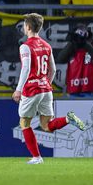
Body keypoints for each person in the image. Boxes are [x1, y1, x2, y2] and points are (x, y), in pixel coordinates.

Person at [12, 13, 85, 165]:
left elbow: (25, 68)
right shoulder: (46, 45)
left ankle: (37, 157)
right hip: (46, 89)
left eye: (25, 24)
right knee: (47, 126)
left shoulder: (25, 46)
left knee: (24, 123)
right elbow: (52, 68)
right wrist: (45, 83)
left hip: (31, 89)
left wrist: (19, 89)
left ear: (28, 27)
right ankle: (68, 119)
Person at [56, 23, 93, 97]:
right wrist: (72, 43)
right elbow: (60, 59)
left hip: (90, 91)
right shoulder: (72, 47)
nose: (79, 38)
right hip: (73, 91)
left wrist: (85, 43)